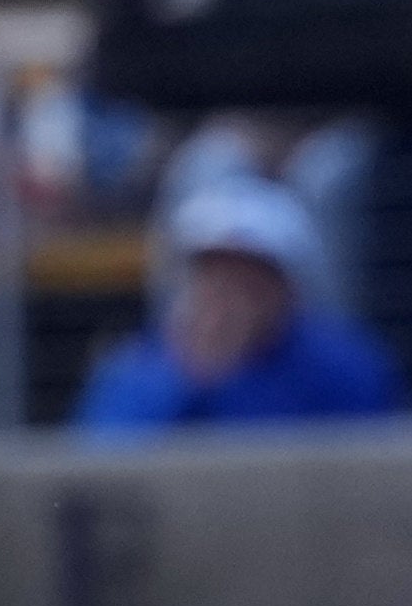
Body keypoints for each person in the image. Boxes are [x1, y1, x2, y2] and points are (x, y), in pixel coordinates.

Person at [79, 171, 405, 432]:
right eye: (213, 272)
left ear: (286, 287)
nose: (228, 292)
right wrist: (193, 374)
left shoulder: (345, 365)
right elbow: (105, 474)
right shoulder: (137, 368)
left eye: (249, 276)